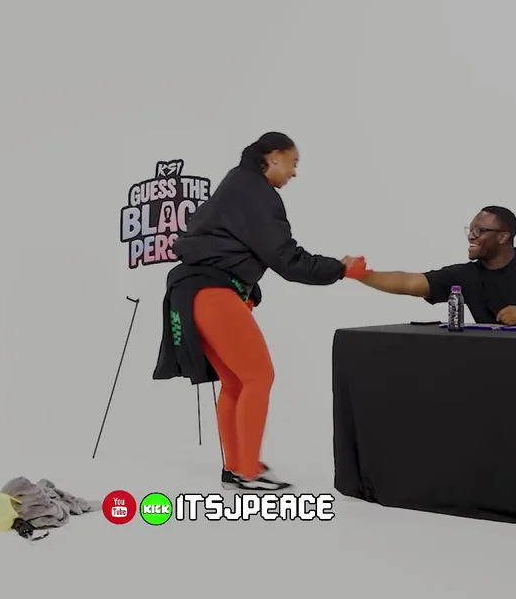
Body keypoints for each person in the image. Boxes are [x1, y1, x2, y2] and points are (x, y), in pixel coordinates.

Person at [152, 132, 369, 491]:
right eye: (293, 163)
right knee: (258, 377)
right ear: (274, 156)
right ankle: (248, 471)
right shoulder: (257, 192)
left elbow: (230, 247)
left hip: (192, 292)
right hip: (211, 293)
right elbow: (286, 258)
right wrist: (340, 269)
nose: (294, 172)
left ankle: (237, 466)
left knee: (237, 382)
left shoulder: (236, 184)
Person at [352, 206, 516, 326]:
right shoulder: (464, 275)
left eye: (479, 230)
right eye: (470, 229)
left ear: (503, 237)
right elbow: (408, 282)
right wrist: (359, 274)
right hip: (497, 366)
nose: (471, 236)